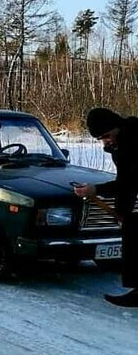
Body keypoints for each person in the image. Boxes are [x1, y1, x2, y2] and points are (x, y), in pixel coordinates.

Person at [73, 107, 138, 307]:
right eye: (100, 138)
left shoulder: (135, 142)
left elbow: (131, 182)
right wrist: (122, 213)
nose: (105, 141)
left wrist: (95, 189)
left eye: (106, 135)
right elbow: (124, 181)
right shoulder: (120, 145)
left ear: (116, 127)